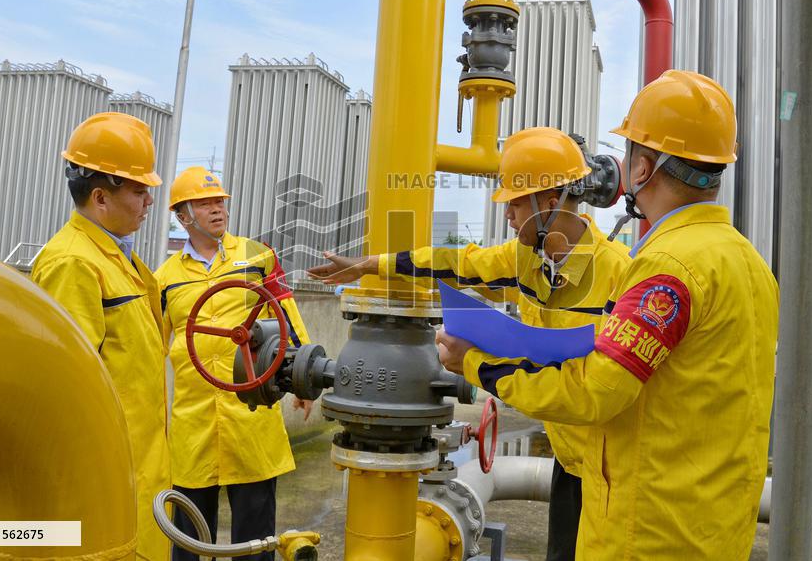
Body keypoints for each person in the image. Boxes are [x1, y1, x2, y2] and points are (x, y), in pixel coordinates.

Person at [436, 70, 779, 560]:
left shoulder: (667, 266)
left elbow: (593, 393)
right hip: (715, 532)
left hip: (646, 534)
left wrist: (473, 363)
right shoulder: (750, 263)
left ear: (641, 168)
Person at [308, 127, 630, 560]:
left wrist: (474, 362)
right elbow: (458, 264)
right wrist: (372, 265)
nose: (508, 214)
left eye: (516, 203)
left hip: (614, 472)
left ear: (550, 203)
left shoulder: (619, 274)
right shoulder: (526, 260)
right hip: (570, 463)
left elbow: (601, 387)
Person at [32, 111, 172, 560]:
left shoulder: (114, 255)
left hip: (138, 465)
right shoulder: (73, 264)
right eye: (139, 190)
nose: (149, 200)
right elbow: (67, 389)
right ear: (100, 197)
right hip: (108, 478)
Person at [155, 166, 313, 561]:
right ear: (182, 216)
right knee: (189, 536)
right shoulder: (165, 279)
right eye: (205, 203)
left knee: (256, 539)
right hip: (193, 421)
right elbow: (153, 347)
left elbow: (286, 314)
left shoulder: (257, 257)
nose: (217, 209)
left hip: (250, 414)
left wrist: (303, 379)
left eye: (220, 202)